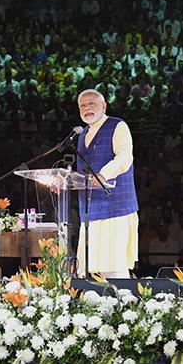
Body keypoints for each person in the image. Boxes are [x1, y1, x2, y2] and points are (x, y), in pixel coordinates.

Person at [76, 89, 139, 278]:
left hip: (116, 206)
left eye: (91, 104)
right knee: (91, 266)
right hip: (90, 208)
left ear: (104, 106)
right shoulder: (81, 134)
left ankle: (123, 303)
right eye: (83, 106)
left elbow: (125, 157)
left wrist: (104, 175)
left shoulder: (117, 126)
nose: (87, 108)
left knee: (114, 265)